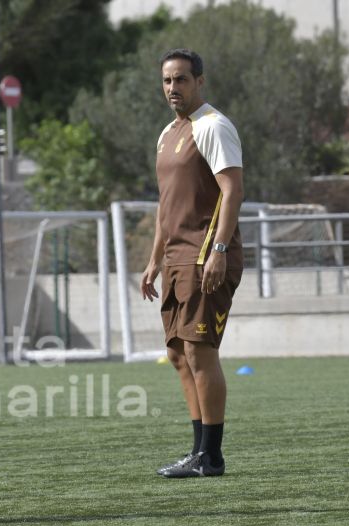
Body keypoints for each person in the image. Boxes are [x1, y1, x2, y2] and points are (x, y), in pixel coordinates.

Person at [140, 48, 244, 478]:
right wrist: (153, 260)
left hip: (205, 256)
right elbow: (166, 206)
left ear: (199, 81)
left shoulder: (213, 126)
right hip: (175, 258)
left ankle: (211, 457)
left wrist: (219, 250)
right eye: (167, 80)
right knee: (178, 355)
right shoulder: (168, 133)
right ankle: (198, 451)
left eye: (181, 79)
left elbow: (233, 190)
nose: (173, 88)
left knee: (201, 353)